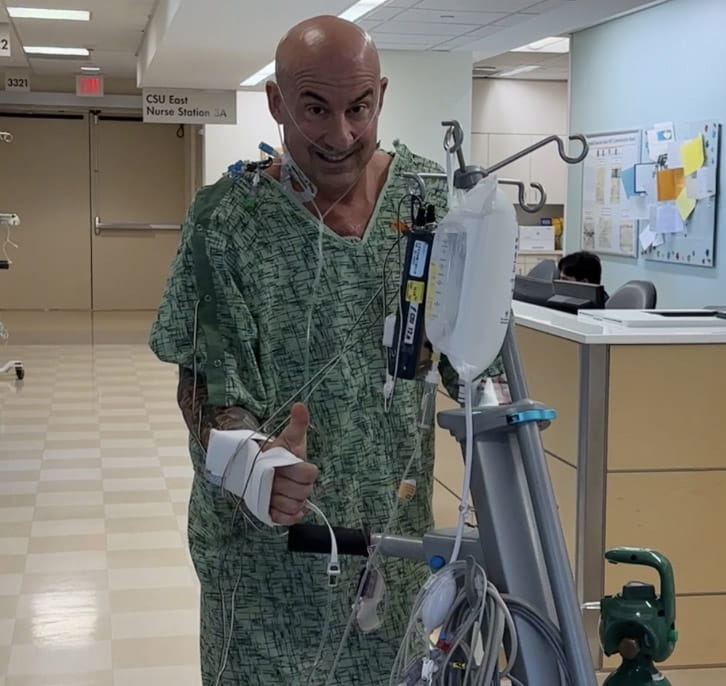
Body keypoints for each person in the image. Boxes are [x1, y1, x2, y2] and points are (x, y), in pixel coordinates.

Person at [150, 15, 489, 685]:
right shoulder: (228, 221)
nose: (341, 134)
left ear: (381, 96)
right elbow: (205, 387)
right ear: (277, 103)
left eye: (358, 108)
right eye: (315, 109)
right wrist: (254, 461)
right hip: (263, 562)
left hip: (388, 550)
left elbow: (478, 368)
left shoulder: (430, 209)